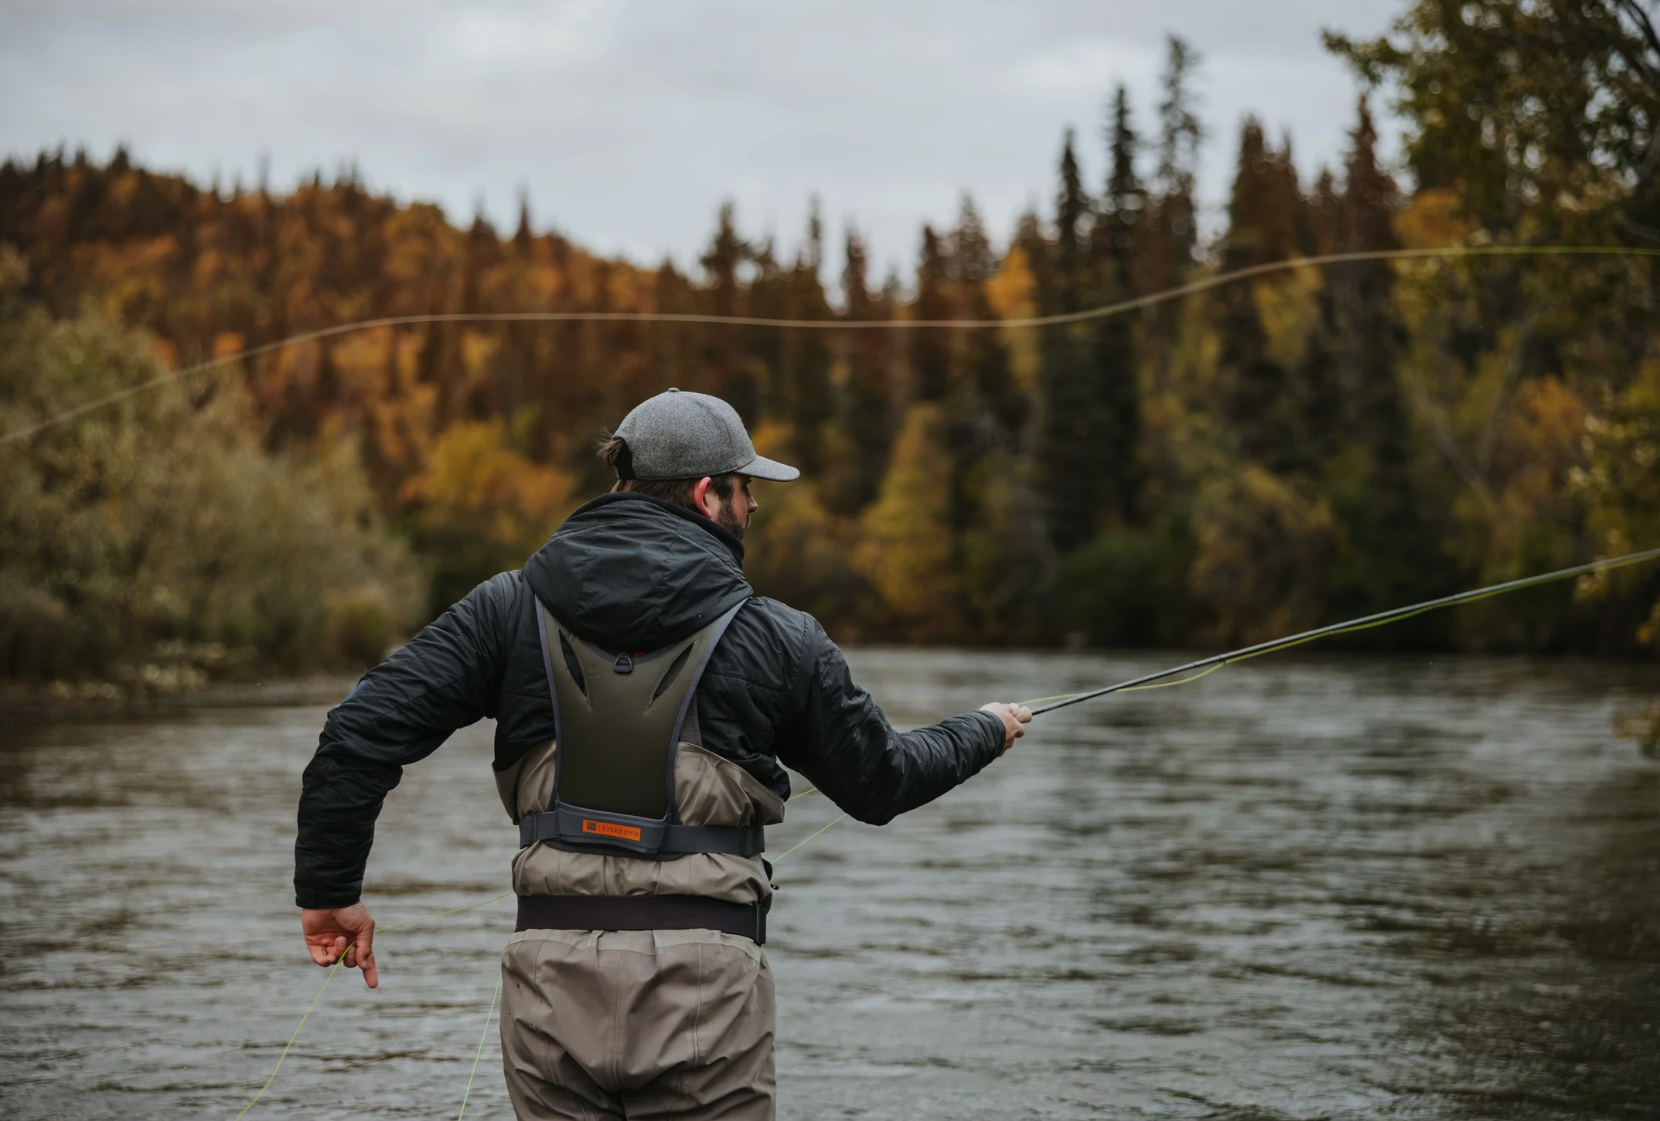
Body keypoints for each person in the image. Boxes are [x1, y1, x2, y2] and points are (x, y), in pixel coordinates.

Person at [295, 388, 1032, 1120]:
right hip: (708, 993)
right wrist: (985, 728)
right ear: (708, 494)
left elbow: (358, 731)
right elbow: (883, 781)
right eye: (745, 489)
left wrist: (329, 893)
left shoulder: (505, 609)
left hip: (548, 987)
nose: (754, 506)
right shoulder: (778, 637)